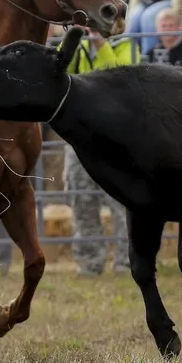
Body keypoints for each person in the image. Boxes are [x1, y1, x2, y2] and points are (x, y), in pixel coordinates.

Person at [61, 30, 139, 275]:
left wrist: (101, 44)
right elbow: (59, 68)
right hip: (80, 136)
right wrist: (72, 37)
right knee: (80, 198)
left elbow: (117, 80)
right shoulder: (79, 46)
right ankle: (89, 263)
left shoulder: (127, 45)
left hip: (116, 138)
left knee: (121, 201)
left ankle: (127, 262)